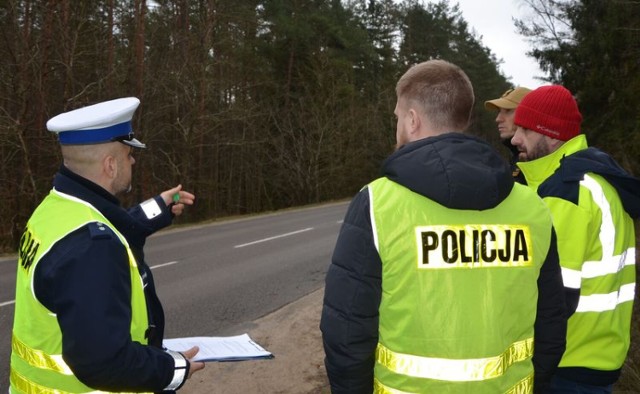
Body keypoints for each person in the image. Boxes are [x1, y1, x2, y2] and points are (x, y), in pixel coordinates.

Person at [320, 60, 567, 394]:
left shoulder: (377, 204)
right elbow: (552, 321)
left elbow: (347, 332)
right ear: (462, 118)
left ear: (411, 120)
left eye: (397, 117)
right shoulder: (532, 208)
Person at [10, 97, 204, 393]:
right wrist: (174, 368)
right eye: (129, 154)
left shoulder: (54, 207)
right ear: (110, 165)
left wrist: (156, 208)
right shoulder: (93, 247)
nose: (134, 161)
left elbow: (109, 223)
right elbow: (105, 363)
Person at [511, 85, 640, 393]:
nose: (515, 139)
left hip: (565, 363)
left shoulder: (566, 192)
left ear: (551, 133)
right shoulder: (596, 179)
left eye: (525, 130)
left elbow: (553, 297)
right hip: (596, 357)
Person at [484, 86, 532, 180]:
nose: (498, 119)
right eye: (499, 112)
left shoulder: (540, 158)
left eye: (508, 110)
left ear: (528, 114)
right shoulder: (516, 158)